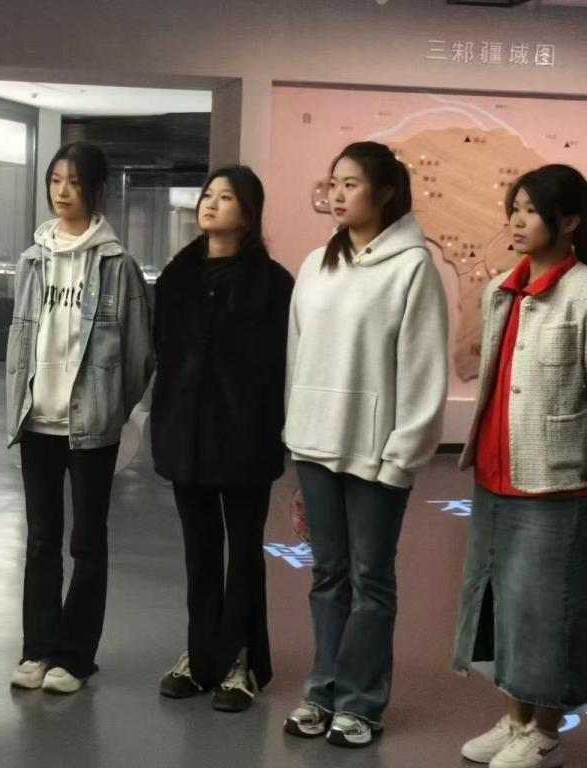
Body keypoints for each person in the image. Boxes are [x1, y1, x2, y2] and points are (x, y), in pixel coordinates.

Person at [282, 141, 448, 747]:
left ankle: (361, 704)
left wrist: (402, 455)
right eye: (333, 183)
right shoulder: (314, 264)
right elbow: (297, 356)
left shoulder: (413, 267)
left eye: (351, 184)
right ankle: (322, 691)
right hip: (314, 445)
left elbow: (423, 369)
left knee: (370, 580)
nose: (337, 194)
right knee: (328, 576)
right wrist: (295, 438)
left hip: (377, 454)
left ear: (385, 192)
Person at [6, 142, 154, 694]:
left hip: (91, 426)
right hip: (37, 422)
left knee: (88, 541)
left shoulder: (117, 265)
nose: (62, 192)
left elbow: (139, 356)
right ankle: (37, 649)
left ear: (95, 190)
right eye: (55, 181)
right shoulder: (31, 260)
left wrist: (111, 409)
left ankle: (76, 657)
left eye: (73, 182)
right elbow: (22, 339)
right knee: (41, 538)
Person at [452, 164, 587, 768]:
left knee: (547, 611)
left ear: (570, 221)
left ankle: (546, 733)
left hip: (555, 479)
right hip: (493, 473)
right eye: (514, 208)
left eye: (531, 210)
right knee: (500, 603)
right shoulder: (501, 289)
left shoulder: (583, 292)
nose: (516, 220)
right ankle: (515, 722)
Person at [152, 166, 293, 712]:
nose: (210, 203)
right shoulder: (177, 277)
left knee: (244, 552)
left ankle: (242, 661)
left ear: (249, 213)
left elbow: (280, 367)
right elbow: (165, 354)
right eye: (208, 194)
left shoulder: (273, 284)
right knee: (200, 551)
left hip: (246, 437)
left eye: (226, 197)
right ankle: (201, 656)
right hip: (185, 433)